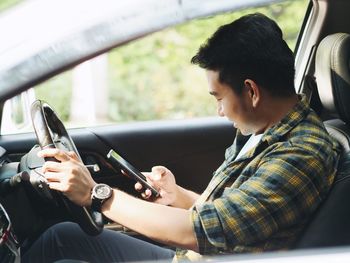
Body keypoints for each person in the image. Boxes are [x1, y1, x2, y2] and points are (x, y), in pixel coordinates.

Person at [22, 13, 340, 262]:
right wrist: (179, 196)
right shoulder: (265, 131)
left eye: (218, 97)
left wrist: (97, 194)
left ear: (252, 91)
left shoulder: (301, 154)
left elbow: (202, 230)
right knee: (61, 237)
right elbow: (234, 214)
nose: (220, 111)